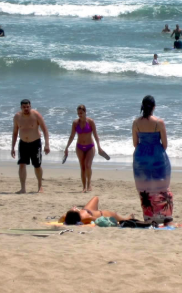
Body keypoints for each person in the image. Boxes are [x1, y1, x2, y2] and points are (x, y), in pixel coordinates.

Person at [132, 95, 172, 223]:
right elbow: (165, 144)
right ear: (154, 107)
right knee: (161, 186)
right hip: (157, 155)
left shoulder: (136, 123)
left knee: (144, 188)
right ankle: (163, 215)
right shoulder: (159, 123)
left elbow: (135, 143)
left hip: (141, 156)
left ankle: (149, 216)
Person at [63, 105, 106, 193]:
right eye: (78, 113)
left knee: (88, 166)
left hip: (90, 146)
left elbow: (95, 135)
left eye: (81, 113)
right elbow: (72, 136)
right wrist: (66, 147)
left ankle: (89, 183)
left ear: (85, 112)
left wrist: (99, 147)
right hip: (79, 147)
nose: (80, 115)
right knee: (82, 167)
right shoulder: (75, 123)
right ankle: (84, 187)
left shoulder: (90, 122)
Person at [11, 99, 50, 193]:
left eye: (28, 107)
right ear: (21, 107)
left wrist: (47, 144)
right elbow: (15, 132)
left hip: (35, 143)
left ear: (30, 106)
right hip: (23, 143)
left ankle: (40, 186)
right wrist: (12, 147)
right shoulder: (17, 117)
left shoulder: (36, 115)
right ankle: (23, 188)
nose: (26, 109)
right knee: (21, 165)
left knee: (37, 165)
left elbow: (45, 130)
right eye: (24, 107)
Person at [59, 196, 135, 225]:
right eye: (74, 209)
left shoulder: (66, 217)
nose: (74, 207)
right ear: (77, 215)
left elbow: (60, 220)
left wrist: (65, 216)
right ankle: (129, 217)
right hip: (100, 213)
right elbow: (97, 219)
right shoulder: (85, 218)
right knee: (120, 218)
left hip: (88, 209)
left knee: (96, 198)